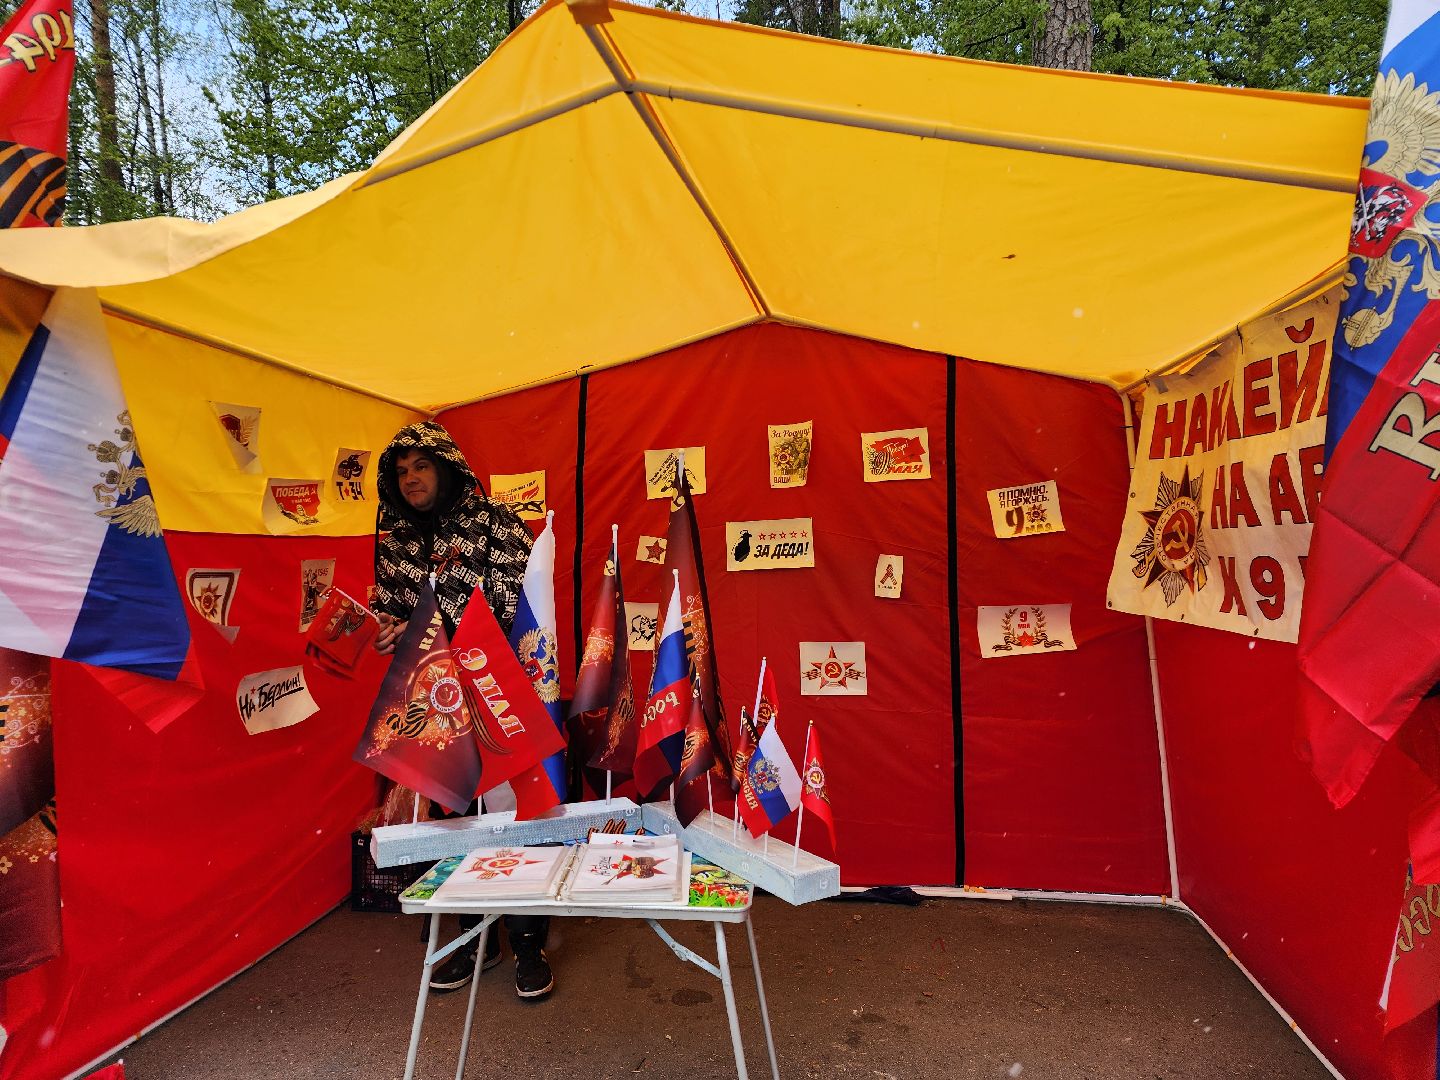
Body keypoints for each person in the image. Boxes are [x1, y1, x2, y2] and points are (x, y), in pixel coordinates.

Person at [372, 420, 555, 1000]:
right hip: (431, 699)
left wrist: (433, 625)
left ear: (447, 468)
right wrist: (383, 630)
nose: (410, 480)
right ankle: (470, 941)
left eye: (420, 467)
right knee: (447, 816)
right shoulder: (396, 534)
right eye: (400, 472)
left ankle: (528, 944)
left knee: (512, 814)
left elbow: (512, 602)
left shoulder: (495, 522)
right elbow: (390, 604)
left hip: (495, 690)